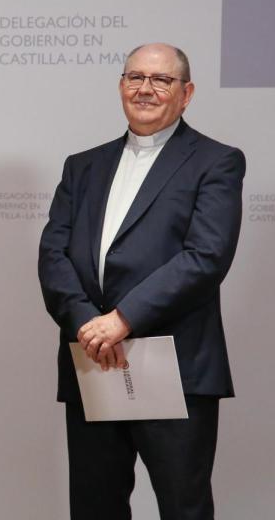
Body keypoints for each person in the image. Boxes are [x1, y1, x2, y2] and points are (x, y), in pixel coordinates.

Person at [38, 43, 245, 519]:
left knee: (182, 508)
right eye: (135, 77)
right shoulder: (82, 166)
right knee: (95, 507)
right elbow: (53, 256)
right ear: (120, 86)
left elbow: (206, 257)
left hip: (175, 364)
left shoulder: (216, 161)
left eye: (161, 80)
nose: (145, 89)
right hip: (92, 359)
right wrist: (90, 324)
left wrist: (123, 320)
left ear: (186, 93)